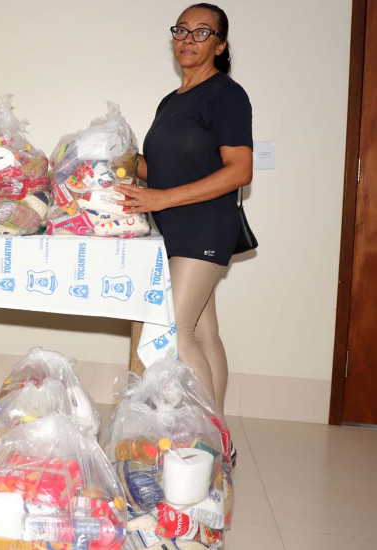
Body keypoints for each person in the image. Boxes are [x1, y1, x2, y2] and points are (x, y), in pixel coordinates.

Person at [115, 3, 252, 413]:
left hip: (204, 227)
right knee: (203, 335)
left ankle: (209, 435)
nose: (188, 39)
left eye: (202, 32)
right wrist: (121, 159)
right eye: (181, 30)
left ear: (220, 45)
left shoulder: (226, 95)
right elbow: (162, 169)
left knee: (176, 333)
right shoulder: (170, 101)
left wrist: (161, 198)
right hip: (173, 229)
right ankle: (219, 432)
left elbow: (240, 170)